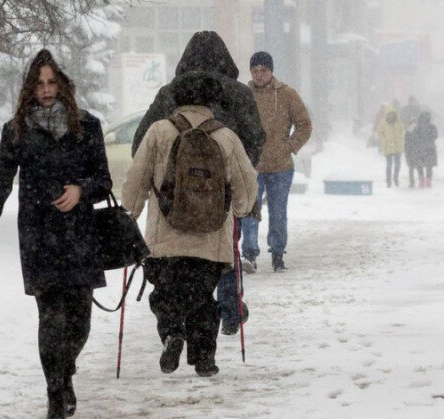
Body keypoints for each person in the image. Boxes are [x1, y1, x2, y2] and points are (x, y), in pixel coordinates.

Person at [0, 49, 112, 419]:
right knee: (51, 320)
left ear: (62, 84)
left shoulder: (87, 126)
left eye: (51, 82)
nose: (46, 89)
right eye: (39, 84)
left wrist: (81, 190)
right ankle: (55, 402)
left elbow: (104, 181)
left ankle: (66, 370)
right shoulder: (17, 131)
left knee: (79, 324)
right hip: (39, 238)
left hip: (80, 237)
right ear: (30, 88)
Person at [122, 70, 258, 377]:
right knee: (202, 299)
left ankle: (172, 333)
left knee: (165, 294)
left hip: (166, 238)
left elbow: (137, 179)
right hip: (210, 241)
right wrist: (240, 209)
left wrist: (131, 211)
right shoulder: (225, 136)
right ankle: (204, 358)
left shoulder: (159, 131)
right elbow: (247, 188)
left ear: (177, 99)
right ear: (212, 101)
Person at [131, 31, 266, 337]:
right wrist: (232, 175)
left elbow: (141, 141)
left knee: (178, 256)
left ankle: (177, 318)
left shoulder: (170, 93)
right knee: (225, 249)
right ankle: (229, 309)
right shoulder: (239, 94)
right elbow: (256, 139)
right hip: (220, 194)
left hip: (174, 196)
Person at [241, 51, 312, 273]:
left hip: (281, 167)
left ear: (271, 71)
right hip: (252, 167)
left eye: (263, 70)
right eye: (255, 70)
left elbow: (304, 125)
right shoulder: (243, 95)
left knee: (278, 213)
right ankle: (249, 255)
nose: (259, 74)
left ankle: (278, 254)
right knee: (249, 212)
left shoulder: (287, 94)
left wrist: (288, 147)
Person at [409, 111, 438, 187]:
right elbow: (435, 136)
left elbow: (413, 136)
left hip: (419, 148)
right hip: (430, 149)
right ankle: (428, 181)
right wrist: (429, 140)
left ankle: (422, 181)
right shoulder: (432, 126)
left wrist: (420, 141)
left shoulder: (417, 127)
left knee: (420, 166)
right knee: (429, 166)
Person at [377, 109, 405, 188]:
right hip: (388, 146)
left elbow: (402, 131)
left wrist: (400, 137)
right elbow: (379, 133)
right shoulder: (383, 122)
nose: (391, 115)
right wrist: (384, 139)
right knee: (389, 165)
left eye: (392, 114)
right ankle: (388, 181)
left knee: (397, 164)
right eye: (390, 114)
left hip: (397, 146)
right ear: (387, 114)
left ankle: (396, 178)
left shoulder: (398, 122)